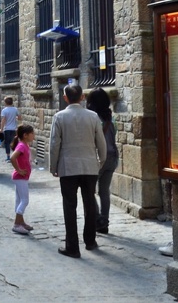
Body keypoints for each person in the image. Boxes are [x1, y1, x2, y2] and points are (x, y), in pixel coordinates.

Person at [49, 84, 107, 258]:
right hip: (89, 166)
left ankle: (72, 246)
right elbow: (101, 143)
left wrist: (54, 166)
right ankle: (90, 240)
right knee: (89, 204)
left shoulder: (59, 117)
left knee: (69, 206)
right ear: (82, 97)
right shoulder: (93, 116)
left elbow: (54, 144)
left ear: (65, 98)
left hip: (68, 166)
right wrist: (100, 162)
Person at [87, 88, 119, 234]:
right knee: (104, 191)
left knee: (89, 191)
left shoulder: (94, 119)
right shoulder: (112, 119)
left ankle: (98, 219)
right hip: (113, 157)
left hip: (100, 158)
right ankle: (104, 222)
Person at [10, 124, 35, 235]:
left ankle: (21, 222)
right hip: (20, 177)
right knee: (25, 200)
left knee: (19, 200)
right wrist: (19, 170)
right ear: (25, 135)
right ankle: (16, 224)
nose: (33, 136)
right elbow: (12, 157)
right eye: (32, 134)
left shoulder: (24, 145)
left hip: (21, 177)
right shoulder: (21, 146)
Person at [0, 96, 21, 162]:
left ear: (5, 102)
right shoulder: (15, 109)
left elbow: (3, 120)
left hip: (7, 129)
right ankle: (15, 156)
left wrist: (1, 129)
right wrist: (15, 119)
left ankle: (8, 157)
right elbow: (19, 117)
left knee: (7, 143)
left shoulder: (4, 110)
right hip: (14, 128)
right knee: (14, 142)